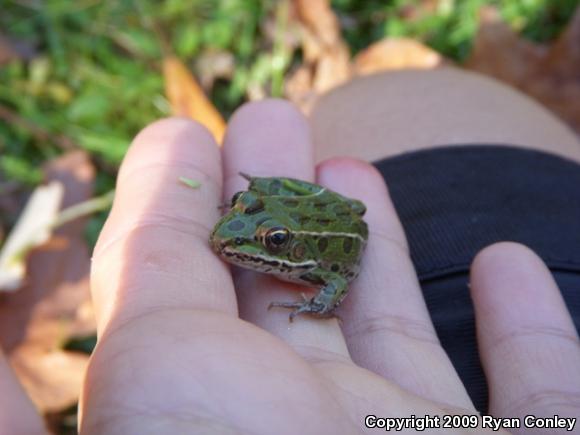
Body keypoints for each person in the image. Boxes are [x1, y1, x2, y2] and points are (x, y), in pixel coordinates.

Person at [2, 68, 579, 434]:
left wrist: (315, 305)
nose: (227, 239)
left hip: (341, 232)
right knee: (402, 97)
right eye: (238, 211)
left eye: (267, 242)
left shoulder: (320, 259)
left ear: (287, 249)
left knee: (392, 101)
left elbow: (336, 286)